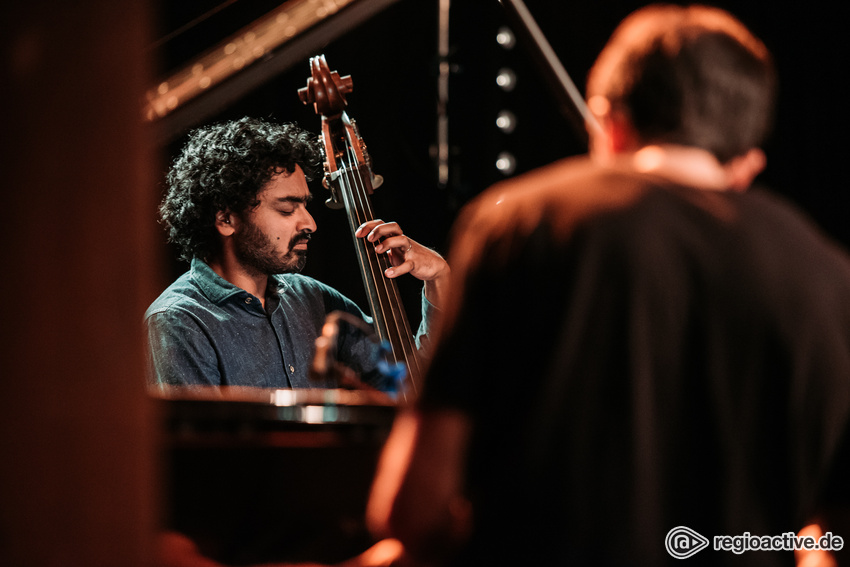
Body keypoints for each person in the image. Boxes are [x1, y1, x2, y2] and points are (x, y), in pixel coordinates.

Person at [366, 4, 850, 566]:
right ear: (746, 161)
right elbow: (830, 538)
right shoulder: (830, 276)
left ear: (607, 121)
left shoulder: (519, 224)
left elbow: (413, 507)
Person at [145, 117, 450, 390]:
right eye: (287, 209)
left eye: (305, 206)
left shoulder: (312, 298)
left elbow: (411, 384)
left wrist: (438, 278)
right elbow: (201, 451)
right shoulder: (179, 321)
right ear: (226, 220)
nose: (311, 223)